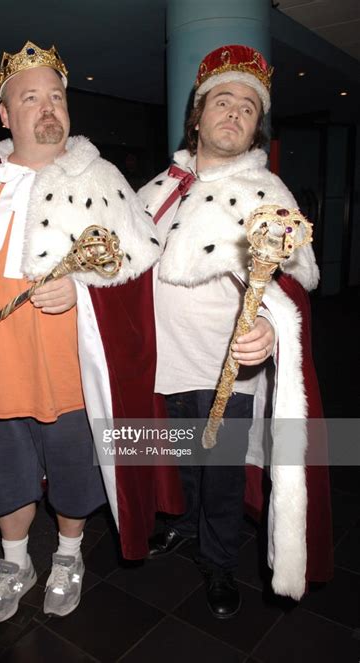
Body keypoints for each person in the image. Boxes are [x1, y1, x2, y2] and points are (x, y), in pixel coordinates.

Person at [0, 41, 183, 623]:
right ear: (5, 114)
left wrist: (83, 289)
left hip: (71, 380)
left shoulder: (103, 179)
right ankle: (15, 564)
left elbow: (134, 276)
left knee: (75, 481)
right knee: (6, 482)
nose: (47, 109)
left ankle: (66, 556)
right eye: (30, 98)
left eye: (56, 96)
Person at [138, 44, 333, 619]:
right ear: (196, 116)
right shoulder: (159, 187)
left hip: (227, 367)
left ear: (255, 128)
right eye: (222, 101)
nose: (233, 113)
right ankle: (181, 525)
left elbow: (294, 284)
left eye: (248, 108)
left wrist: (272, 331)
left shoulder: (271, 195)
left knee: (221, 472)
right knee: (174, 461)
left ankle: (219, 561)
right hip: (160, 362)